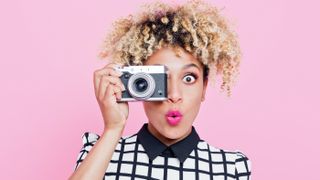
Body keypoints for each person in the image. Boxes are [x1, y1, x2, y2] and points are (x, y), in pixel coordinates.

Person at [69, 1, 251, 179]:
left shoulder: (230, 168)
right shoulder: (101, 154)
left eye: (189, 78)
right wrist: (113, 128)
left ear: (203, 88)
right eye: (160, 79)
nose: (174, 96)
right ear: (138, 83)